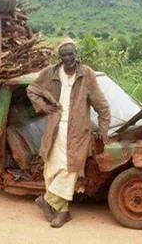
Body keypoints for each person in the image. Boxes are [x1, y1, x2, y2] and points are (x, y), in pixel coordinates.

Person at [27, 38, 110, 228]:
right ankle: (63, 212)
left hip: (77, 132)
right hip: (55, 130)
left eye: (71, 54)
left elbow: (102, 106)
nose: (68, 58)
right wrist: (46, 107)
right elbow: (32, 90)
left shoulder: (86, 74)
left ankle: (47, 201)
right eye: (64, 55)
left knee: (68, 169)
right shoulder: (51, 73)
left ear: (76, 54)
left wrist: (104, 130)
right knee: (51, 170)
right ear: (60, 57)